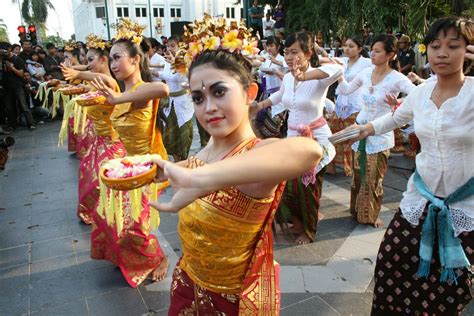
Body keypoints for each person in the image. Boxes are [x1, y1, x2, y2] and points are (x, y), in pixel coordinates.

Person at [147, 15, 322, 315]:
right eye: (198, 98)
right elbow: (193, 170)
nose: (208, 108)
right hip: (187, 287)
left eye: (219, 92)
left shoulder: (257, 153)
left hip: (232, 303)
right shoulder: (203, 153)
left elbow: (310, 150)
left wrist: (199, 180)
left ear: (249, 93)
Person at [344, 16, 473, 315]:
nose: (442, 53)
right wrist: (363, 129)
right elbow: (395, 118)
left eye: (453, 46)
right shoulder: (421, 92)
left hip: (466, 205)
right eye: (435, 45)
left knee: (452, 287)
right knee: (392, 264)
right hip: (422, 198)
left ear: (467, 50)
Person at [88, 18, 170, 287]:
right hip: (124, 164)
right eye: (110, 59)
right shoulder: (120, 90)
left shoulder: (140, 91)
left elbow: (163, 89)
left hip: (146, 167)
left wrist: (117, 100)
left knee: (135, 224)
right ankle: (124, 256)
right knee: (105, 214)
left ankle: (158, 258)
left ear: (136, 59)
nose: (112, 64)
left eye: (118, 57)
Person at [251, 31, 343, 244]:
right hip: (293, 139)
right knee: (285, 187)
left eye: (295, 52)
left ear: (308, 53)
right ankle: (297, 222)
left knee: (306, 188)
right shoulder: (289, 78)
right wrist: (260, 105)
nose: (290, 57)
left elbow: (339, 68)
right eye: (287, 52)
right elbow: (280, 97)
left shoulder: (318, 77)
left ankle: (309, 230)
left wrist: (305, 76)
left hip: (316, 141)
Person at [336, 34, 415, 228]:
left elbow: (416, 96)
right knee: (357, 175)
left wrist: (397, 102)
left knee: (373, 178)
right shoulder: (365, 73)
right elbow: (345, 90)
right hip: (359, 130)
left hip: (379, 133)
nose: (372, 54)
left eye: (378, 51)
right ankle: (356, 211)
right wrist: (336, 73)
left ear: (391, 55)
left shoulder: (396, 78)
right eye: (372, 50)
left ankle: (370, 214)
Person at [61, 34, 127, 225]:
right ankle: (97, 212)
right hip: (98, 139)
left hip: (112, 142)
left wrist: (78, 73)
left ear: (104, 59)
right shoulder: (98, 80)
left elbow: (99, 77)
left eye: (91, 60)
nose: (87, 64)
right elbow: (88, 82)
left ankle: (108, 213)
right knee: (87, 176)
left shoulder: (109, 81)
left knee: (100, 181)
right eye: (86, 60)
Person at [326, 36, 372, 176]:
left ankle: (352, 167)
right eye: (345, 45)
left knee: (353, 137)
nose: (347, 48)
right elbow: (325, 59)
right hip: (340, 103)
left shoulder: (366, 62)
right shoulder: (342, 61)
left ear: (359, 49)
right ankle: (331, 166)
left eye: (351, 46)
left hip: (356, 104)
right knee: (333, 134)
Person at [156, 35, 194, 162]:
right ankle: (177, 161)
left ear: (180, 46)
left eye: (173, 46)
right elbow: (166, 75)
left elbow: (183, 79)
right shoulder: (167, 61)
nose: (169, 48)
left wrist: (175, 63)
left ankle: (184, 160)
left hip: (182, 103)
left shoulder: (184, 60)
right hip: (170, 102)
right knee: (171, 136)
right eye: (168, 46)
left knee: (184, 135)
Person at [255, 35, 288, 138]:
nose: (269, 48)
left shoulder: (282, 60)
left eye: (272, 45)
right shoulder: (267, 60)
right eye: (268, 46)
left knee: (274, 124)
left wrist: (275, 70)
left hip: (279, 96)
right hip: (266, 94)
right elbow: (260, 73)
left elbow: (287, 76)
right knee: (261, 120)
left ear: (278, 47)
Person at [1, 42, 36, 130]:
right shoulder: (2, 59)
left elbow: (21, 74)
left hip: (17, 85)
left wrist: (12, 68)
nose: (3, 52)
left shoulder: (17, 59)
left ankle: (31, 123)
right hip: (7, 86)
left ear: (9, 49)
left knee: (23, 105)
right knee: (9, 107)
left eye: (4, 50)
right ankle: (12, 125)